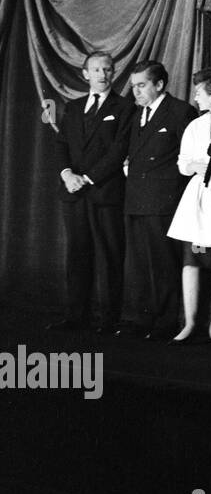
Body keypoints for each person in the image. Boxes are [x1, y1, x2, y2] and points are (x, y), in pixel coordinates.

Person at [51, 51, 129, 334]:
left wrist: (87, 177)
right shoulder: (73, 107)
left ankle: (109, 320)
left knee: (109, 255)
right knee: (77, 255)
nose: (101, 74)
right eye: (95, 69)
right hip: (73, 193)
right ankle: (76, 316)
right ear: (85, 74)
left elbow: (119, 150)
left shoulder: (124, 107)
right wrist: (67, 175)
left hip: (105, 192)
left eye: (107, 69)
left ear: (113, 72)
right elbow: (61, 145)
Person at [122, 60, 198, 338]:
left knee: (163, 264)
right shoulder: (136, 115)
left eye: (141, 86)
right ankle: (141, 319)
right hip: (136, 199)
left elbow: (189, 158)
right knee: (139, 263)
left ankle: (165, 322)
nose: (136, 92)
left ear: (159, 84)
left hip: (164, 201)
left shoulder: (180, 112)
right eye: (133, 87)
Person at [168, 68, 211, 342]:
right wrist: (193, 166)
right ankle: (190, 322)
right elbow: (182, 163)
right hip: (199, 199)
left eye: (199, 93)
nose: (195, 97)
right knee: (192, 258)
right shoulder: (196, 125)